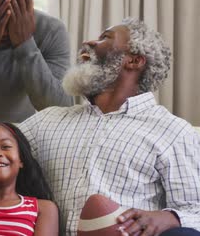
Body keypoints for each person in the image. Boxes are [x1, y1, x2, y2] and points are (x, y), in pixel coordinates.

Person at [17, 18, 200, 235]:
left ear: (133, 61)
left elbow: (194, 209)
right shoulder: (45, 122)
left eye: (105, 37)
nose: (88, 42)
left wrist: (168, 217)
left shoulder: (174, 133)